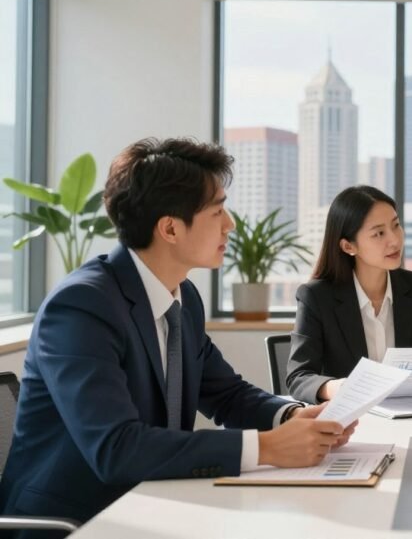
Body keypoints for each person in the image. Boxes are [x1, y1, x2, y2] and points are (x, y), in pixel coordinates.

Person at [0, 138, 355, 528]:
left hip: (153, 502)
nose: (230, 224)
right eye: (218, 210)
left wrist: (293, 416)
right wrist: (267, 447)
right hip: (74, 522)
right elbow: (115, 449)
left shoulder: (181, 296)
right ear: (169, 228)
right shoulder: (82, 306)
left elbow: (225, 393)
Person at [287, 186, 412, 404]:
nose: (395, 240)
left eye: (396, 225)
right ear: (348, 246)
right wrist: (334, 387)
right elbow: (299, 377)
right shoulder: (316, 297)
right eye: (379, 233)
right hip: (351, 422)